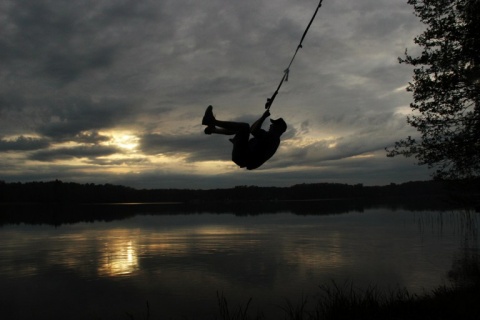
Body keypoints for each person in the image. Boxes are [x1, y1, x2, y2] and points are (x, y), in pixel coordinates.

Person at [202, 105, 287, 170]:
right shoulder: (269, 136)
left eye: (274, 124)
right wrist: (262, 117)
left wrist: (264, 117)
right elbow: (252, 129)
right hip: (243, 156)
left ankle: (211, 121)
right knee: (236, 128)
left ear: (279, 128)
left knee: (243, 127)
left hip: (243, 157)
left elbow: (253, 131)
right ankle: (213, 130)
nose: (271, 125)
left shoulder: (272, 138)